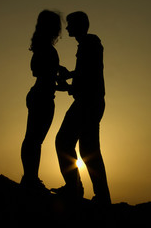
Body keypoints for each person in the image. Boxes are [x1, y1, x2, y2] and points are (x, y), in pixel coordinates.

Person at [53, 11, 111, 205]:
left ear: (79, 25)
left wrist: (69, 85)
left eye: (70, 24)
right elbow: (86, 72)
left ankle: (74, 188)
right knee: (89, 151)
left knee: (63, 142)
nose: (67, 28)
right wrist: (70, 77)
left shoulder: (89, 45)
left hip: (86, 103)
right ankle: (102, 197)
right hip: (92, 102)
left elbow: (87, 76)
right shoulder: (90, 44)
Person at [20, 10, 65, 195]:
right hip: (42, 97)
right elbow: (46, 75)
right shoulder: (45, 48)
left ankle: (30, 177)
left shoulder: (41, 47)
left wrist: (59, 72)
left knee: (33, 139)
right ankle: (30, 178)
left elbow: (45, 72)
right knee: (34, 140)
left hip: (40, 94)